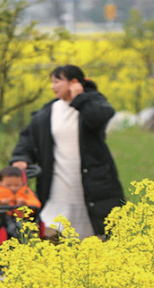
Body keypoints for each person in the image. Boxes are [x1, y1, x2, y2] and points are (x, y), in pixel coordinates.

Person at [11, 65, 124, 239]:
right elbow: (28, 138)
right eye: (52, 82)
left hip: (93, 184)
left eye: (57, 81)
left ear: (74, 83)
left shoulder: (92, 103)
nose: (53, 87)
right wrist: (21, 158)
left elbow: (99, 117)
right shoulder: (48, 112)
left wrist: (79, 98)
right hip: (57, 185)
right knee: (53, 232)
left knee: (95, 231)